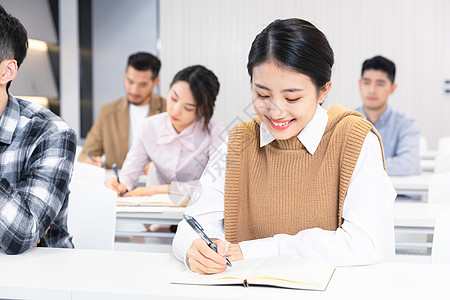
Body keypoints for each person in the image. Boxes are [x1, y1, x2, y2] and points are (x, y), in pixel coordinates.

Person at [172, 18, 396, 274]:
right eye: (262, 95)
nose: (276, 112)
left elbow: (366, 242)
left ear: (323, 91)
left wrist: (265, 249)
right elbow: (192, 222)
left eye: (292, 97)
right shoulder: (238, 143)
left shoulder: (354, 139)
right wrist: (193, 246)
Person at [0, 6, 77, 254]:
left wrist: (21, 229)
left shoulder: (51, 133)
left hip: (40, 280)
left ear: (6, 71)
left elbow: (20, 235)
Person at [105, 65, 225, 200]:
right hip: (162, 210)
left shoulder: (216, 134)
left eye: (188, 107)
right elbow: (128, 175)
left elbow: (215, 186)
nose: (175, 110)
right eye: (173, 99)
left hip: (199, 212)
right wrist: (119, 184)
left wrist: (159, 190)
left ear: (203, 110)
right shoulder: (149, 127)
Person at [78, 52, 166, 169]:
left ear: (156, 83)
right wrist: (89, 161)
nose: (134, 90)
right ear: (125, 73)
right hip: (116, 183)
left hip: (155, 185)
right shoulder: (108, 112)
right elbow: (86, 154)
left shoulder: (168, 110)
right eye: (130, 81)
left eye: (142, 85)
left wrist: (157, 167)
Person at [356, 55, 420, 176]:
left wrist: (358, 165)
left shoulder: (407, 124)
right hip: (356, 194)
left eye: (380, 84)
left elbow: (407, 165)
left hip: (399, 193)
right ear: (360, 84)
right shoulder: (347, 120)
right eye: (367, 83)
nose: (372, 90)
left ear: (392, 88)